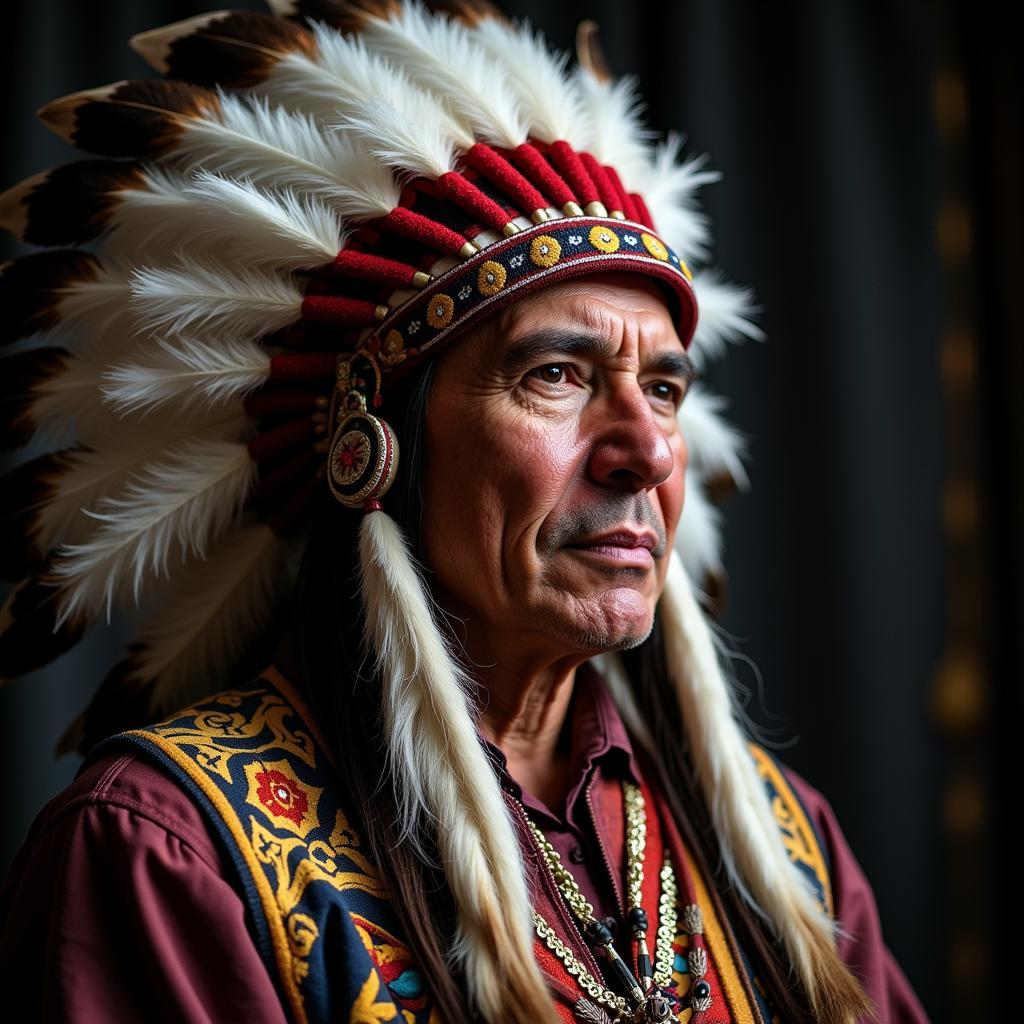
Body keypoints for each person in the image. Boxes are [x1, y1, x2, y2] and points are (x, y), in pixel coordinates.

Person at [0, 2, 929, 1022]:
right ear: (372, 450)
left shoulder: (783, 841)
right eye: (556, 375)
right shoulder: (174, 851)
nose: (649, 450)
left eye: (663, 388)